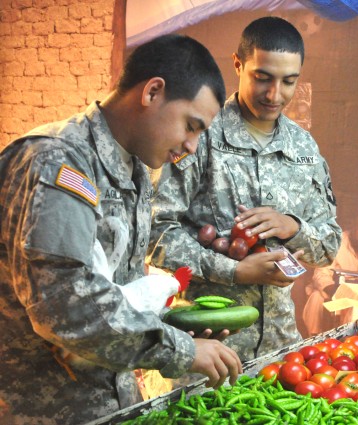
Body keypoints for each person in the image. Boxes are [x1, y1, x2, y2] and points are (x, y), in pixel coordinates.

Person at [0, 34, 242, 424]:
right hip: (47, 410)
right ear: (152, 92)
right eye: (191, 125)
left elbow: (117, 292)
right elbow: (67, 306)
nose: (193, 146)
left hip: (109, 402)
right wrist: (178, 350)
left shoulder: (133, 171)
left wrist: (176, 327)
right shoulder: (59, 162)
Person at [148, 17, 341, 361]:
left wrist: (293, 228)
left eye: (288, 81)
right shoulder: (200, 134)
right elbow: (155, 233)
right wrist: (233, 272)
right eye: (262, 78)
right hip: (204, 344)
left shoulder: (304, 148)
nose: (274, 94)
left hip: (278, 348)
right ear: (238, 64)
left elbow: (328, 246)